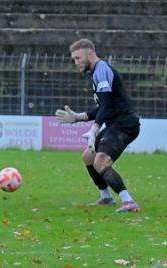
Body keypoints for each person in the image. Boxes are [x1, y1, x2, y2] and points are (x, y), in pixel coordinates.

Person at [55, 38, 141, 213]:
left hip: (125, 124)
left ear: (89, 53)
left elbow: (107, 106)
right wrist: (78, 117)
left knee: (101, 161)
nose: (76, 63)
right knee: (88, 156)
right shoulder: (96, 73)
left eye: (78, 58)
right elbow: (103, 106)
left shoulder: (101, 70)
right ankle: (106, 196)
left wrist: (94, 128)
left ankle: (129, 201)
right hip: (115, 123)